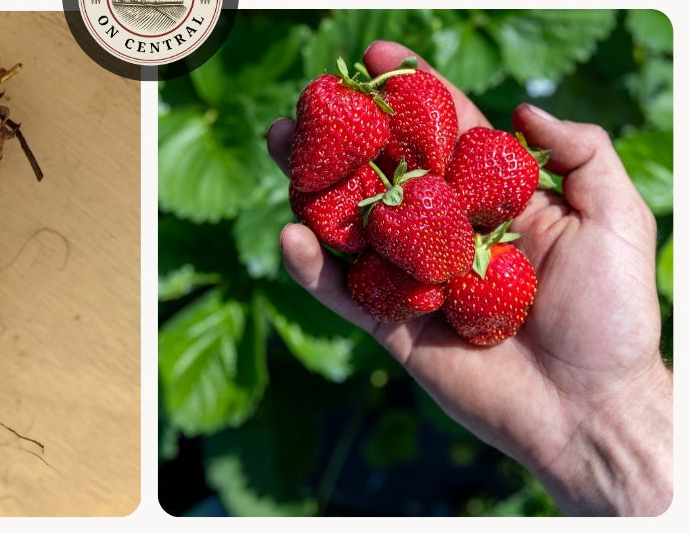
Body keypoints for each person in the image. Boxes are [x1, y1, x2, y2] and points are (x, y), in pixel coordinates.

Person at [267, 40, 673, 517]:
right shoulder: (421, 200)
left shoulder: (431, 201)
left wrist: (609, 402)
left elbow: (428, 209)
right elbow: (417, 204)